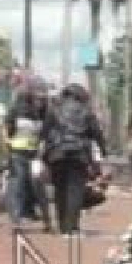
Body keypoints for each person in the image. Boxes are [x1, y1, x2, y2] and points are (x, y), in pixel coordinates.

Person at [42, 83, 105, 235]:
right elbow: (96, 133)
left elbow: (44, 132)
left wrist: (44, 155)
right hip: (79, 154)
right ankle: (72, 227)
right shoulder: (87, 111)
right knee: (75, 190)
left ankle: (62, 225)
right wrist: (103, 151)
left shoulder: (54, 110)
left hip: (56, 154)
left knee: (60, 189)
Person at [5, 81, 53, 231]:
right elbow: (5, 128)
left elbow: (45, 135)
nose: (39, 100)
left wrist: (42, 151)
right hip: (17, 153)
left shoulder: (43, 113)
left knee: (38, 186)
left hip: (34, 155)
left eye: (41, 98)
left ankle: (47, 220)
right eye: (36, 97)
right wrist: (7, 142)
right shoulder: (16, 110)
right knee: (17, 185)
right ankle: (16, 221)